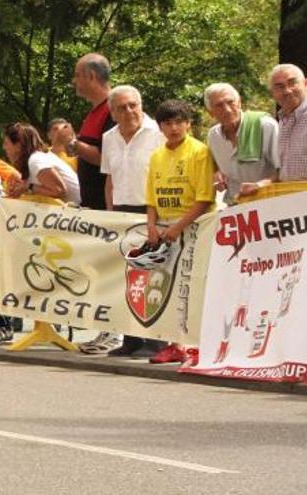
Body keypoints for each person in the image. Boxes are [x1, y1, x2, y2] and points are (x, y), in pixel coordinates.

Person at [89, 85, 165, 356]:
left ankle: (157, 342)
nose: (129, 111)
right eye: (122, 108)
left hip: (152, 210)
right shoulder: (109, 137)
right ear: (112, 112)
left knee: (155, 276)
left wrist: (155, 218)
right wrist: (112, 215)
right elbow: (110, 178)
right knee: (129, 277)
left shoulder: (158, 133)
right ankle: (131, 339)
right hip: (122, 210)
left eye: (133, 105)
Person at [145, 99, 216, 365]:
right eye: (167, 123)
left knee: (194, 284)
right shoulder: (156, 156)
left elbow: (204, 198)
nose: (174, 128)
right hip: (165, 228)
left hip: (195, 226)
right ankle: (174, 344)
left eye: (179, 122)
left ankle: (197, 345)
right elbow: (151, 197)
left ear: (188, 124)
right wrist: (152, 225)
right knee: (169, 287)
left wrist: (177, 227)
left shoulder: (199, 152)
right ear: (160, 126)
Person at [205, 82, 281, 205]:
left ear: (239, 102)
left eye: (231, 102)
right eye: (219, 105)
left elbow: (283, 169)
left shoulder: (265, 126)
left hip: (269, 203)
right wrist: (218, 175)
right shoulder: (213, 136)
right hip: (236, 206)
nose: (227, 110)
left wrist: (260, 185)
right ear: (210, 112)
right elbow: (219, 168)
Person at [55, 53, 114, 210]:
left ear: (91, 76)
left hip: (105, 206)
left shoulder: (113, 110)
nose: (74, 81)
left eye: (77, 75)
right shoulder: (94, 111)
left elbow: (106, 158)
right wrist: (70, 143)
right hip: (90, 203)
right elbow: (80, 151)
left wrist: (71, 142)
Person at [2, 123, 81, 204]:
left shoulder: (36, 161)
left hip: (81, 210)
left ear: (18, 145)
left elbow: (59, 191)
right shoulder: (34, 159)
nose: (4, 147)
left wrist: (28, 187)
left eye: (6, 143)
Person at [270, 64, 307, 181]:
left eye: (292, 83)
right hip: (291, 195)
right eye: (280, 87)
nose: (287, 90)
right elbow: (286, 170)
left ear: (306, 84)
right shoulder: (283, 120)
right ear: (273, 93)